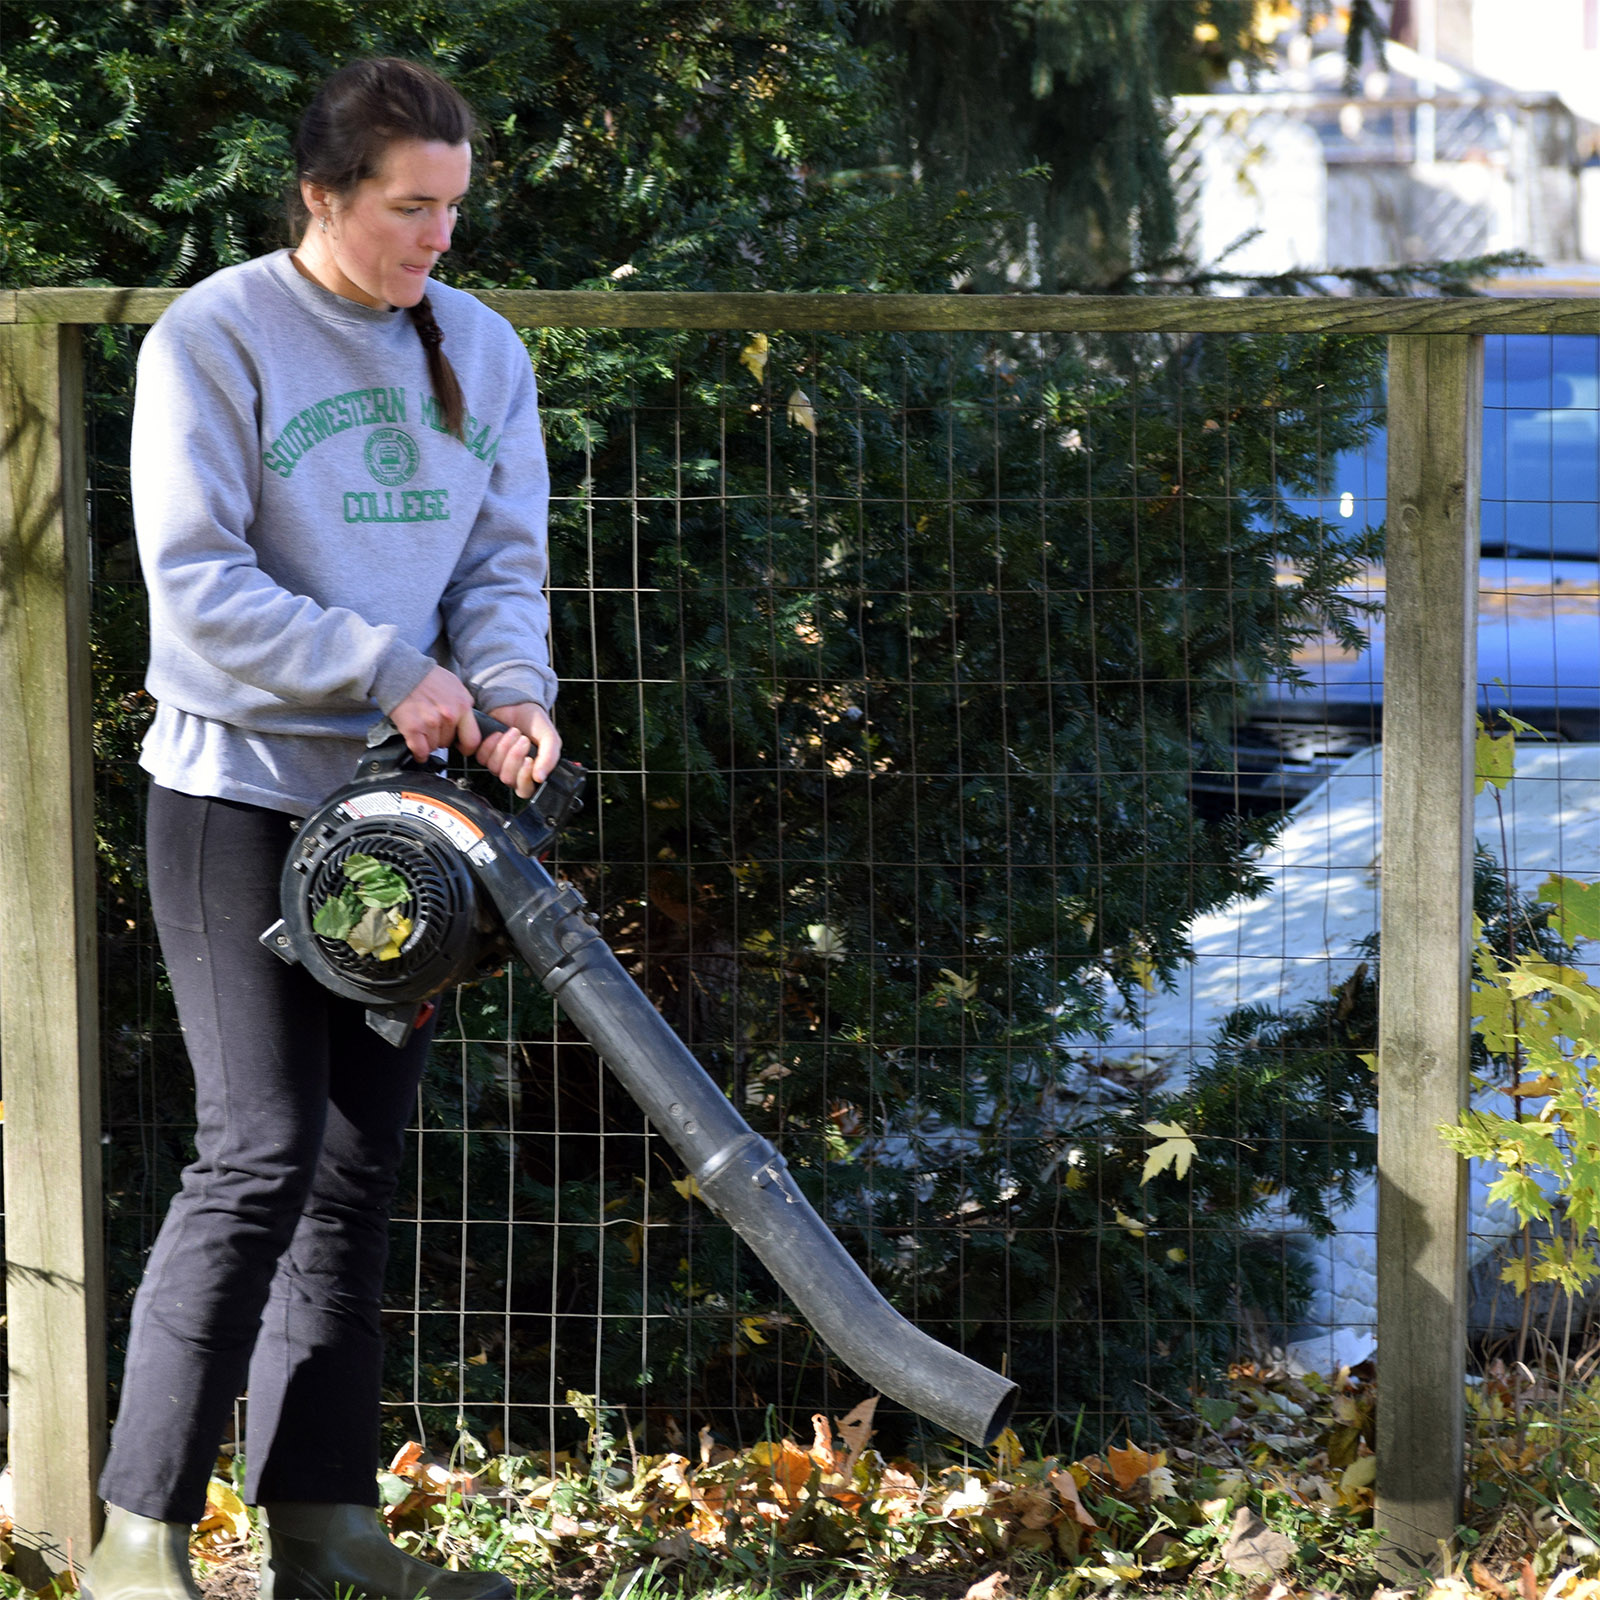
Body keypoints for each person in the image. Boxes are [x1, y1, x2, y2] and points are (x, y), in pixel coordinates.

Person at [81, 58, 559, 1600]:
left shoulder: (479, 349)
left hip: (404, 827)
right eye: (409, 209)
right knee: (258, 1153)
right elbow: (196, 586)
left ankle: (326, 1532)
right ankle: (137, 1537)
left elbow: (501, 557)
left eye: (454, 208)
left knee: (354, 1168)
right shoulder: (215, 339)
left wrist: (506, 691)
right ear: (324, 198)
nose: (439, 238)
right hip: (233, 797)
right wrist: (383, 665)